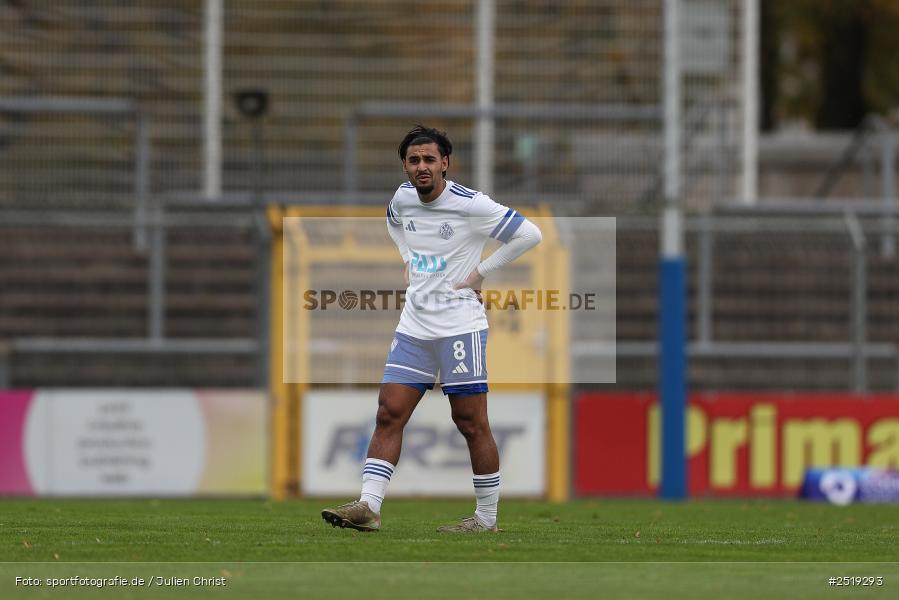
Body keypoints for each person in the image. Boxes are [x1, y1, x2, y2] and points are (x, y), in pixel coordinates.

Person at [321, 125, 542, 533]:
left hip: (460, 325)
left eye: (429, 160)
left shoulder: (471, 205)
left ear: (445, 164)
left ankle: (486, 519)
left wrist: (480, 272)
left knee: (470, 422)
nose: (421, 167)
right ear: (405, 166)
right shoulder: (403, 198)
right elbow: (393, 223)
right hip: (415, 326)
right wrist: (407, 257)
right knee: (389, 412)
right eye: (413, 160)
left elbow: (530, 234)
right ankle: (368, 508)